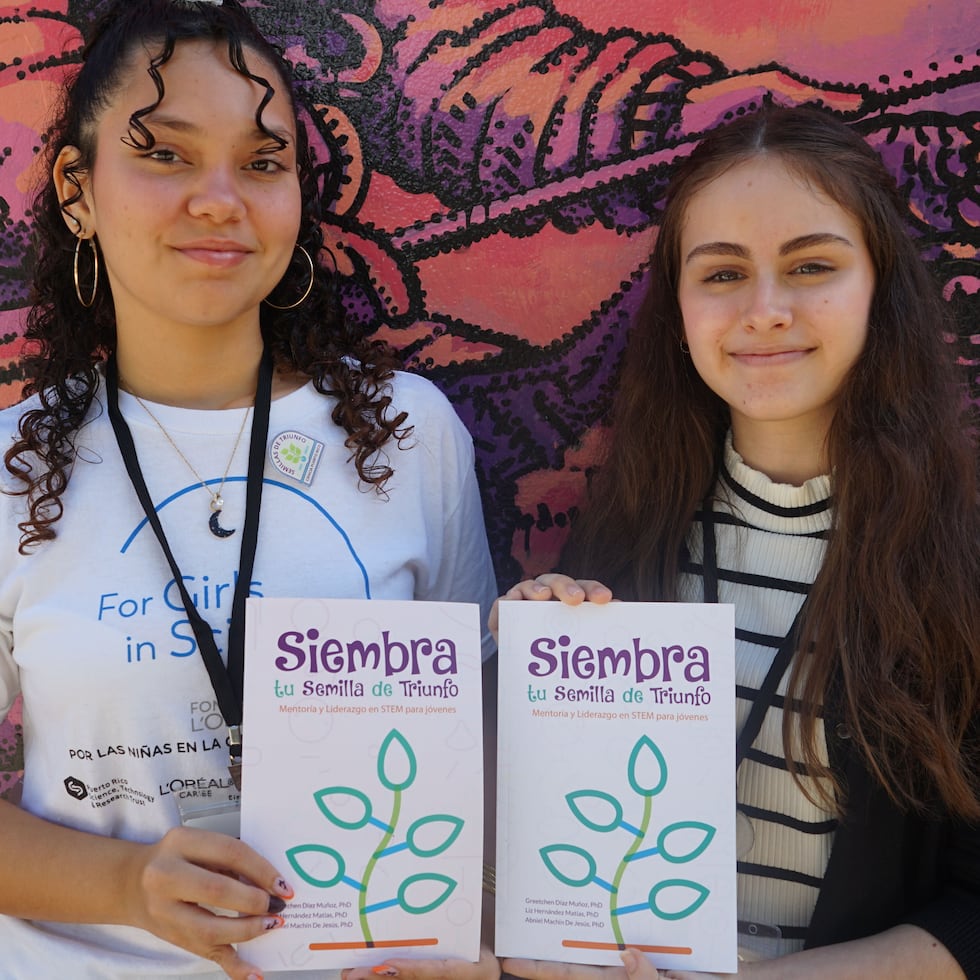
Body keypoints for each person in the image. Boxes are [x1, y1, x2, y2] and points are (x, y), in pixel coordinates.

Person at [0, 1, 497, 978]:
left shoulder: (408, 434)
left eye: (262, 163)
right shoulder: (14, 463)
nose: (220, 197)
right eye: (166, 154)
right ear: (76, 190)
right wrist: (125, 883)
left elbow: (478, 753)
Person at [492, 106, 980, 978]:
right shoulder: (626, 528)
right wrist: (524, 681)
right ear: (677, 306)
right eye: (722, 273)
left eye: (812, 266)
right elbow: (553, 846)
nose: (765, 311)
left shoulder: (961, 556)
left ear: (883, 288)